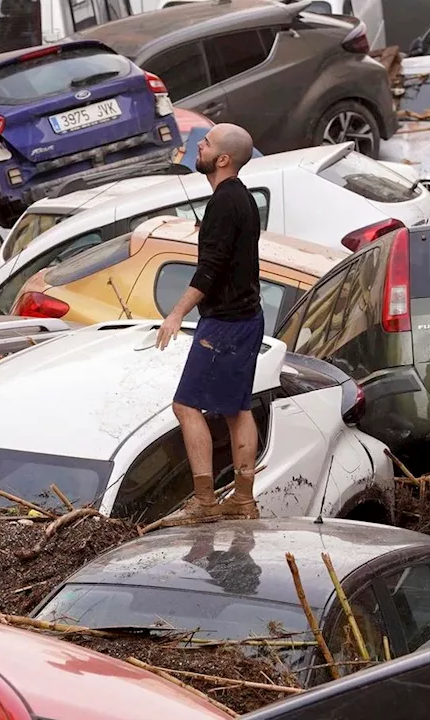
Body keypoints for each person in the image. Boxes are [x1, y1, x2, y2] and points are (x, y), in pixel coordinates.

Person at [155, 123, 262, 522]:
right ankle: (244, 501)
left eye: (205, 143)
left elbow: (210, 270)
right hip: (248, 317)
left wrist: (176, 313)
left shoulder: (222, 204)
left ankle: (204, 503)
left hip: (225, 324)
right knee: (237, 407)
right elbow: (230, 254)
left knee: (185, 405)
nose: (196, 146)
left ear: (222, 159)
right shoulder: (244, 200)